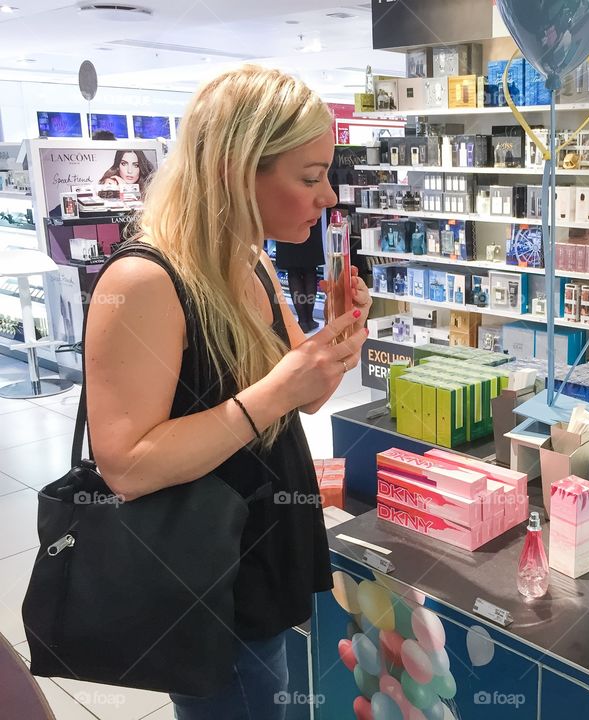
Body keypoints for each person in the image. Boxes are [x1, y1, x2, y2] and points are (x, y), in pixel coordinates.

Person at [84, 65, 371, 719]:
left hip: (264, 553)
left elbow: (304, 397)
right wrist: (275, 392)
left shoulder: (251, 258)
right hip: (206, 578)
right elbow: (126, 465)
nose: (327, 195)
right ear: (238, 171)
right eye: (309, 176)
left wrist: (343, 335)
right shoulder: (147, 280)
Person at [275, 220, 324, 332]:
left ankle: (302, 321)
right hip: (309, 222)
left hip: (285, 225)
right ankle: (310, 319)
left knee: (293, 272)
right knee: (310, 270)